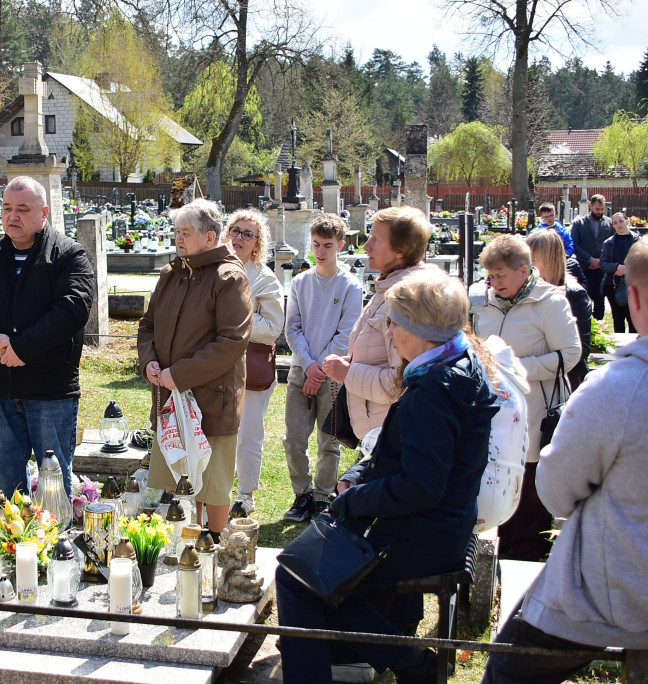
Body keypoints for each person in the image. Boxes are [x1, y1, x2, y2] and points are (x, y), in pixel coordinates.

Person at [278, 270, 500, 684]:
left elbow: (422, 485)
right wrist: (361, 474)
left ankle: (409, 661)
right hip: (438, 523)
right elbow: (402, 453)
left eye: (395, 322)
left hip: (424, 533)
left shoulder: (434, 389)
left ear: (420, 330)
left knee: (297, 575)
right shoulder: (453, 363)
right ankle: (410, 660)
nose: (388, 330)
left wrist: (351, 502)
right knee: (313, 575)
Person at [482, 238, 648, 684]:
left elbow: (556, 490)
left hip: (613, 591)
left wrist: (513, 368)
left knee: (507, 672)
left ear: (631, 297)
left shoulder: (619, 390)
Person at [0, 176, 94, 498]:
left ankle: (55, 546)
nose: (12, 216)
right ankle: (15, 543)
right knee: (6, 483)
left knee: (53, 484)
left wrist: (23, 347)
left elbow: (72, 309)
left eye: (22, 209)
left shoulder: (68, 255)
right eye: (6, 208)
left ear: (43, 213)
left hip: (50, 390)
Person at [137, 198, 252, 539]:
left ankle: (216, 547)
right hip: (172, 399)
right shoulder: (171, 273)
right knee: (179, 480)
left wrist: (180, 374)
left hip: (212, 399)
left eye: (186, 232)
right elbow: (147, 326)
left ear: (211, 237)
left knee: (212, 484)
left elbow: (232, 341)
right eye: (177, 232)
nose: (179, 239)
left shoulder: (229, 277)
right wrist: (150, 362)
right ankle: (185, 548)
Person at [471, 235, 581, 561]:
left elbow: (571, 353)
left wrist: (515, 370)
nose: (494, 283)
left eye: (501, 276)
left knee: (529, 489)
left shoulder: (550, 301)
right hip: (493, 415)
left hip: (535, 412)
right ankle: (492, 556)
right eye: (490, 275)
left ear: (524, 270)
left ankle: (523, 560)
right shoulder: (484, 302)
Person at [322, 206, 435, 441]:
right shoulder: (386, 289)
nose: (366, 246)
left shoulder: (408, 300)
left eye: (376, 240)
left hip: (394, 436)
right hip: (379, 434)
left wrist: (348, 372)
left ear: (400, 251)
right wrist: (353, 362)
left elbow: (401, 382)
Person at [283, 214, 363, 523]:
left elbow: (347, 333)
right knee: (294, 438)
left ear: (340, 245)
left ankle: (322, 494)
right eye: (316, 244)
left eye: (327, 245)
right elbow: (293, 328)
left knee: (328, 439)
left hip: (332, 376)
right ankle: (301, 493)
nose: (320, 251)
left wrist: (322, 368)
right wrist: (309, 365)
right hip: (301, 371)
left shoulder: (350, 286)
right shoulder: (302, 282)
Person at [223, 209, 284, 516]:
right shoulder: (214, 268)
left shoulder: (266, 279)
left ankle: (246, 495)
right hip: (214, 367)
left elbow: (273, 327)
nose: (239, 238)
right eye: (235, 230)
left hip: (250, 368)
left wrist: (234, 320)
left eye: (248, 234)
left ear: (258, 244)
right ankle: (216, 487)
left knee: (248, 433)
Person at [526, 230, 592, 390]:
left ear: (549, 260)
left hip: (565, 380)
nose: (526, 267)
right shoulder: (526, 290)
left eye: (531, 260)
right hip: (532, 380)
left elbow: (582, 347)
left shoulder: (574, 294)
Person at [570, 194, 614, 320]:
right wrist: (589, 259)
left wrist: (601, 260)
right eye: (597, 209)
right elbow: (575, 244)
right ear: (591, 206)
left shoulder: (609, 222)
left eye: (602, 209)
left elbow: (612, 243)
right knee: (585, 299)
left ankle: (600, 324)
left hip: (602, 268)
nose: (600, 212)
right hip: (584, 267)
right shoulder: (579, 223)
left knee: (600, 299)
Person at [600, 211, 639, 334]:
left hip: (634, 285)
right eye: (615, 223)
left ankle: (634, 349)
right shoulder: (609, 243)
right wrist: (617, 267)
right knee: (618, 318)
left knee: (633, 319)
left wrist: (630, 268)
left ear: (627, 222)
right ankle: (619, 350)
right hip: (614, 285)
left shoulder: (638, 241)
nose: (619, 224)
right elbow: (603, 264)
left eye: (621, 221)